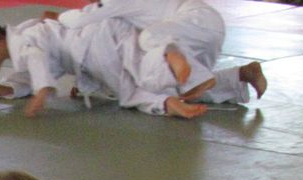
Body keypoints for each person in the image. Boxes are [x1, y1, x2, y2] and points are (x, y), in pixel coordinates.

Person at [0, 13, 214, 119]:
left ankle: (168, 62)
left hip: (96, 47)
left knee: (133, 89)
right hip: (99, 41)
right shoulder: (22, 34)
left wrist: (42, 91)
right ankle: (237, 79)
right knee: (177, 83)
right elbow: (41, 66)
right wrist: (5, 90)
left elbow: (36, 60)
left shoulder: (24, 44)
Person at [55, 0, 266, 105]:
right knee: (173, 86)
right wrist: (86, 84)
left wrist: (57, 19)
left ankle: (197, 77)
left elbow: (81, 19)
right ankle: (241, 75)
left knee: (149, 38)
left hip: (195, 21)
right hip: (201, 32)